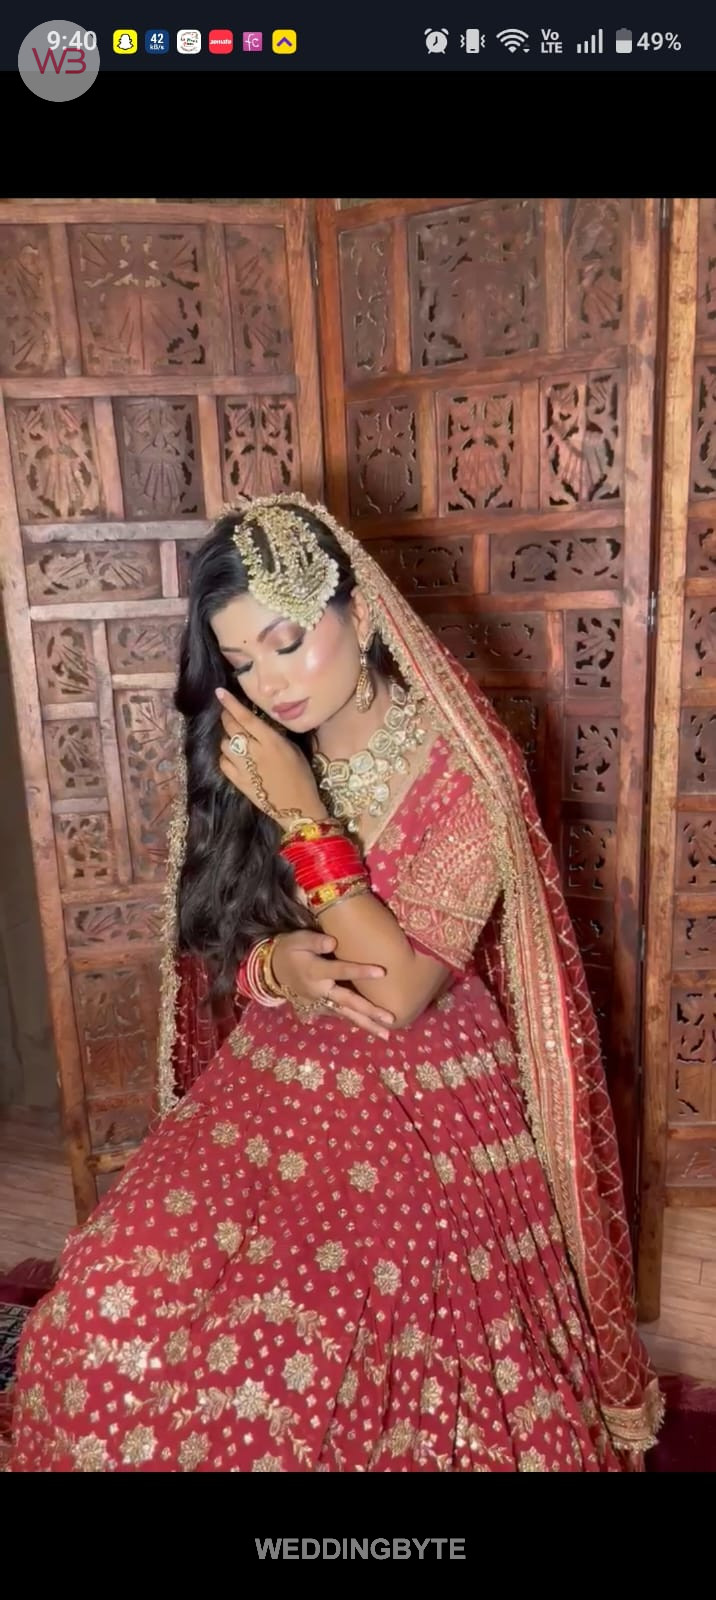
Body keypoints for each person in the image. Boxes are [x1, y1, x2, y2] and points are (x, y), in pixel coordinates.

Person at [8, 493, 661, 1473]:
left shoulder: (464, 764)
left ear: (359, 612)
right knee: (99, 1306)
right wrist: (273, 967)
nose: (270, 682)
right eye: (241, 661)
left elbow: (396, 989)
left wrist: (304, 813)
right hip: (278, 1070)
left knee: (315, 1364)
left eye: (287, 641)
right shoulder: (261, 747)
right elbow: (224, 938)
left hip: (421, 1085)